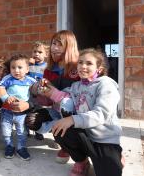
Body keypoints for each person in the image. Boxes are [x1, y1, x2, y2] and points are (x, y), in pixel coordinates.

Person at [40, 48, 123, 176]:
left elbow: (101, 113)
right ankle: (82, 161)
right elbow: (63, 95)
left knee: (109, 172)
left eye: (89, 63)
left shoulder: (106, 85)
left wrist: (72, 119)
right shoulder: (76, 86)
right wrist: (48, 88)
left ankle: (116, 154)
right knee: (60, 129)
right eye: (80, 62)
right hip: (85, 136)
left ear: (99, 69)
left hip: (104, 139)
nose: (83, 66)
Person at [26, 30, 80, 164]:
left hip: (77, 114)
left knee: (67, 106)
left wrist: (54, 93)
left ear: (69, 46)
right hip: (57, 110)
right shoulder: (49, 70)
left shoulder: (78, 68)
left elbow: (81, 99)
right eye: (53, 44)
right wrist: (37, 90)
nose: (54, 48)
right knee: (32, 120)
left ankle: (71, 146)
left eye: (59, 44)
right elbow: (47, 101)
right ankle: (62, 137)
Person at [0, 54, 36, 161]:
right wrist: (6, 97)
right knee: (5, 130)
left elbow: (37, 90)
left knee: (22, 131)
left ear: (27, 69)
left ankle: (21, 147)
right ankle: (9, 145)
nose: (16, 70)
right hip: (7, 111)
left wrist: (42, 87)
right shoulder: (7, 78)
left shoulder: (30, 81)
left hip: (22, 113)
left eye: (20, 67)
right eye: (13, 67)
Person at [28, 41, 49, 140]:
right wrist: (27, 64)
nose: (36, 54)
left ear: (46, 54)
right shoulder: (29, 65)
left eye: (40, 52)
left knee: (38, 113)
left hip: (41, 95)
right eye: (34, 51)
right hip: (29, 94)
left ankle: (38, 131)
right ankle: (26, 129)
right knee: (27, 111)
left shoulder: (46, 67)